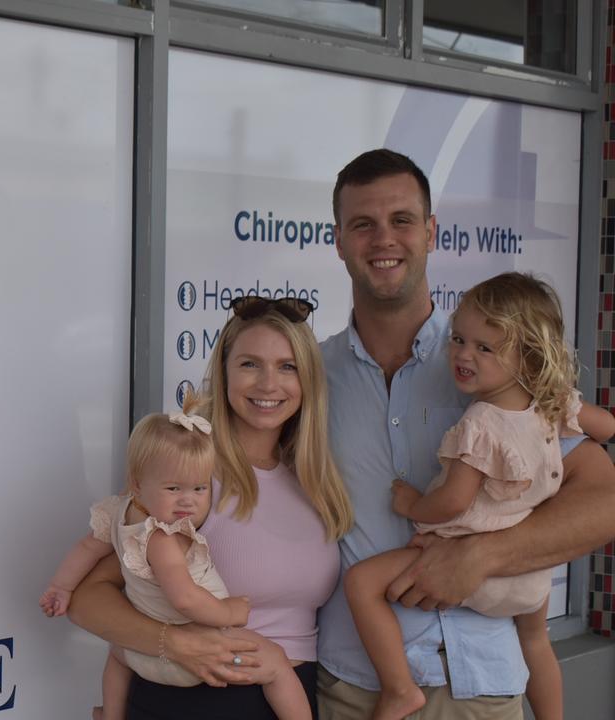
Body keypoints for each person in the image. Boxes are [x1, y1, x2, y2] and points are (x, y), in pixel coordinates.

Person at [316, 148, 615, 719]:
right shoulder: (306, 376)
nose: (384, 239)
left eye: (402, 220)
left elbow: (606, 503)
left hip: (480, 685)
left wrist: (482, 556)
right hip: (355, 689)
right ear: (338, 239)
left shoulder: (494, 367)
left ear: (431, 231)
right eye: (363, 224)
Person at [69, 294, 355, 719]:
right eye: (249, 364)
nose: (267, 384)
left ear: (308, 380)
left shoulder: (312, 478)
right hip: (198, 702)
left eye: (287, 366)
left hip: (292, 697)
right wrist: (177, 643)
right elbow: (87, 597)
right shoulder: (192, 478)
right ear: (223, 372)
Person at [40, 389, 311, 720]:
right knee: (278, 665)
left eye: (199, 489)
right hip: (201, 656)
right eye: (174, 489)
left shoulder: (119, 512)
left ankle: (109, 714)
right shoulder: (163, 537)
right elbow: (184, 599)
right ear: (138, 485)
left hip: (144, 657)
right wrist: (228, 613)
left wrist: (60, 586)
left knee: (116, 655)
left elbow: (86, 548)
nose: (188, 502)